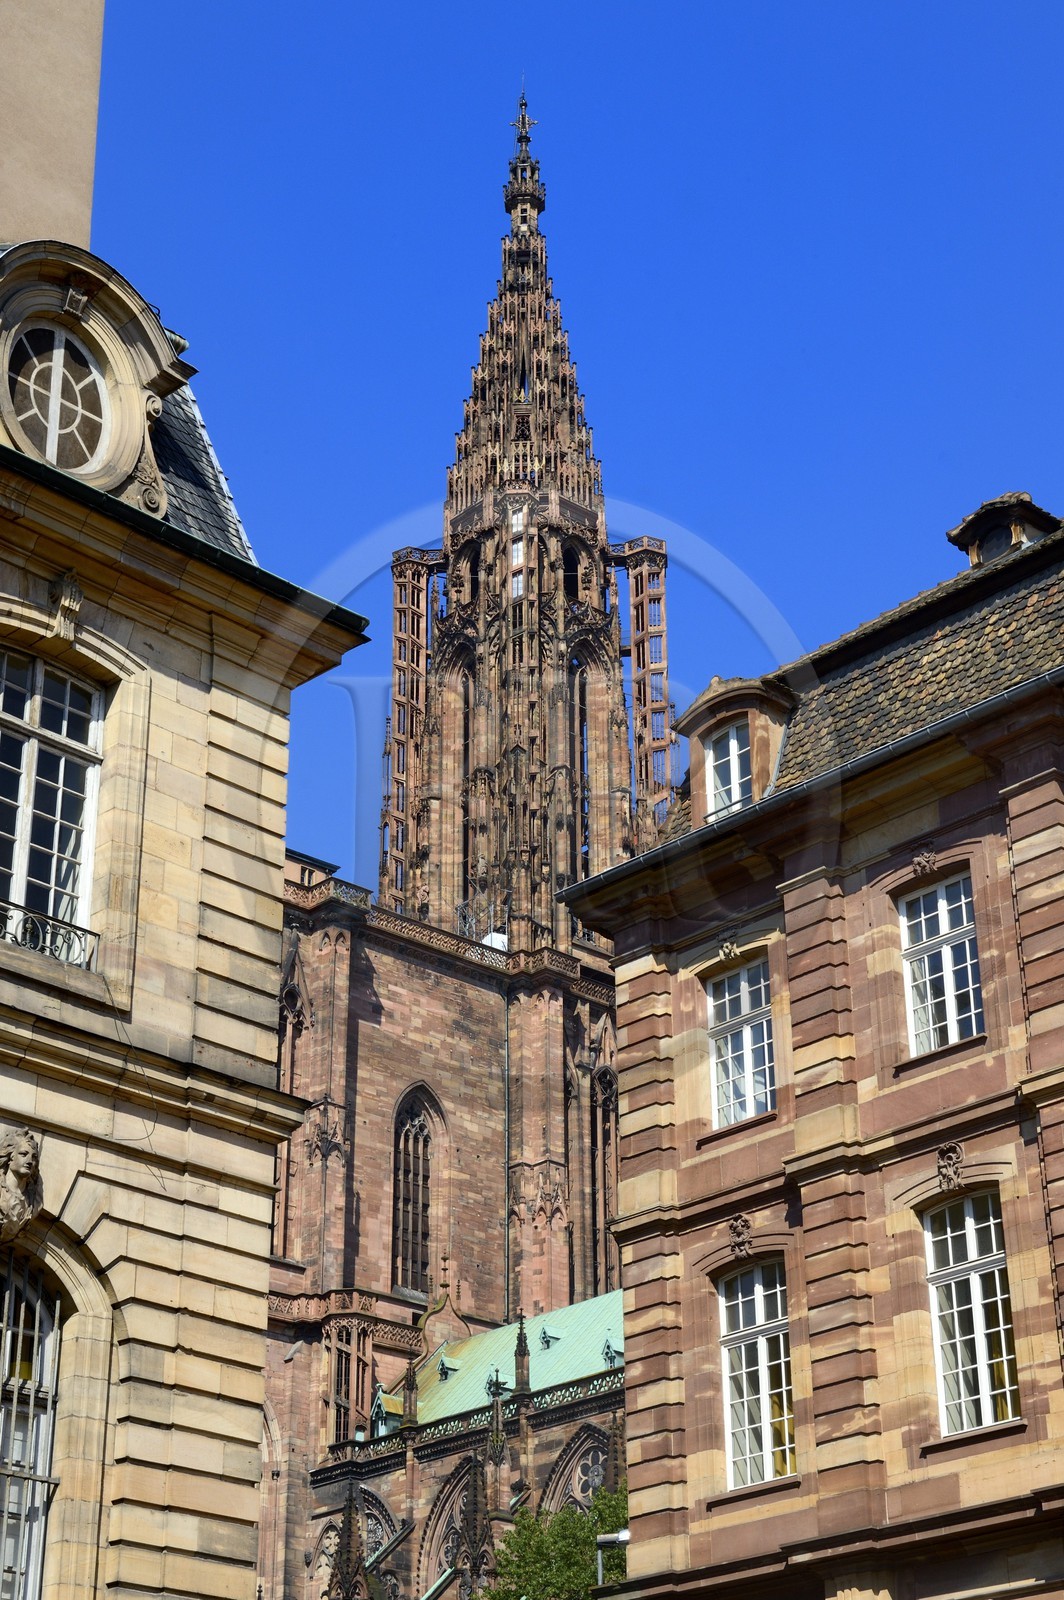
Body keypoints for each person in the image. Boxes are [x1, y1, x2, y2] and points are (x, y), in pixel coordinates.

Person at [0, 1127, 43, 1243]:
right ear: (11, 1156)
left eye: (34, 1157)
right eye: (23, 1154)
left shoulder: (34, 1202)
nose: (29, 1161)